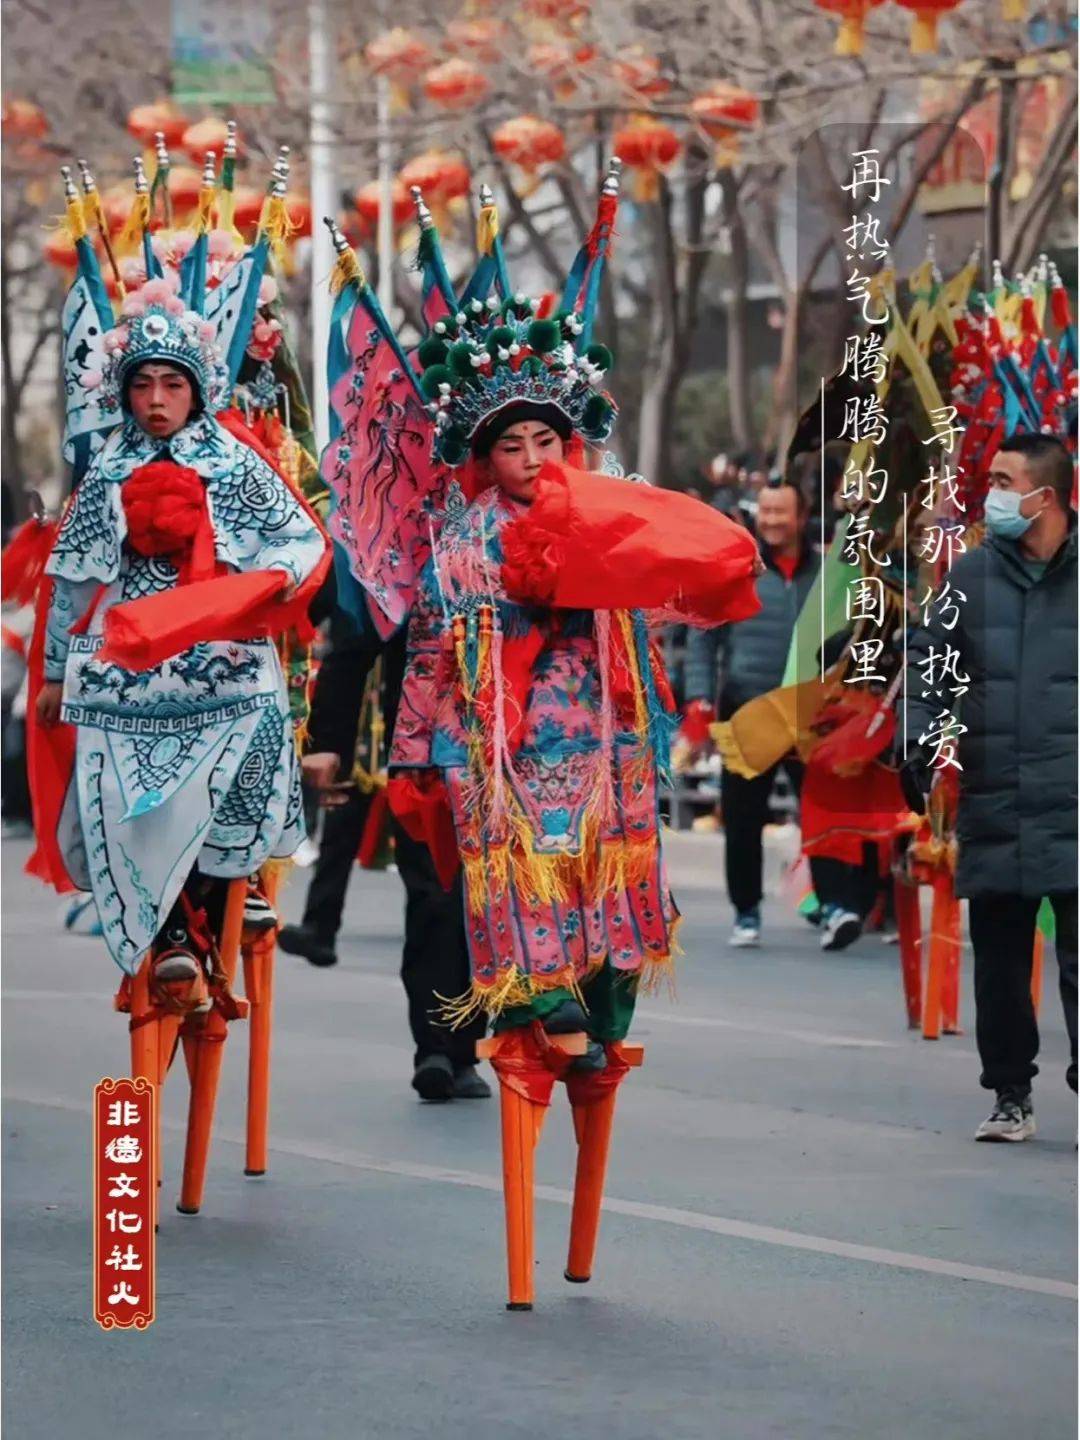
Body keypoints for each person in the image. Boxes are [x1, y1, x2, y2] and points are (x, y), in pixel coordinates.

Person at [33, 272, 327, 989]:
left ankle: (238, 884)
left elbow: (302, 541)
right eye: (143, 386)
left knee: (261, 723)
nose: (157, 400)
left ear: (197, 389)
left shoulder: (236, 465)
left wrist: (268, 579)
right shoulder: (106, 471)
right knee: (133, 801)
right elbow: (70, 580)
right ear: (125, 392)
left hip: (220, 646)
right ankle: (165, 930)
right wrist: (52, 672)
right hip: (128, 658)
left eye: (172, 383)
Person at [903, 432, 1077, 1142]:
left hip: (1073, 797)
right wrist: (914, 734)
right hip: (996, 792)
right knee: (1001, 959)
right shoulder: (969, 577)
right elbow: (928, 659)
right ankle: (1011, 1093)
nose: (991, 494)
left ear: (1049, 494)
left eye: (1005, 480)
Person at [278, 620, 489, 1101]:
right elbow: (358, 628)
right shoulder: (409, 547)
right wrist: (327, 739)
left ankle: (467, 1044)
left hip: (505, 743)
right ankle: (436, 1046)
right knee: (434, 894)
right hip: (421, 743)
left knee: (481, 899)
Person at [684, 478, 865, 950]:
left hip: (812, 707)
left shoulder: (829, 575)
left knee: (823, 810)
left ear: (802, 516)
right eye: (765, 512)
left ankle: (836, 905)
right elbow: (703, 639)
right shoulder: (734, 570)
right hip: (748, 705)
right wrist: (699, 700)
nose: (772, 521)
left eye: (781, 512)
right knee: (742, 818)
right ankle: (746, 911)